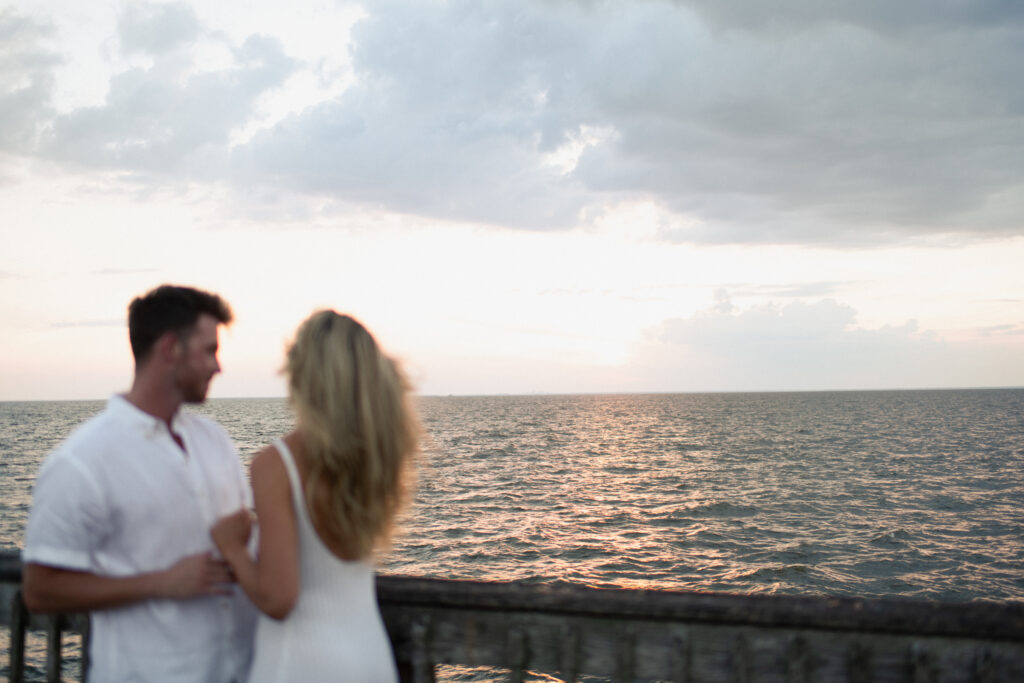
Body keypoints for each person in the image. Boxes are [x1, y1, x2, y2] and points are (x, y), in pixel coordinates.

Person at [22, 285, 256, 682]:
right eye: (209, 350)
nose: (218, 367)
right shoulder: (82, 460)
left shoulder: (214, 441)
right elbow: (40, 591)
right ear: (170, 348)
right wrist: (162, 583)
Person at [211, 310, 419, 683]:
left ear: (302, 374)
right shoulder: (379, 457)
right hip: (371, 656)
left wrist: (234, 550)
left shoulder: (277, 464)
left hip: (302, 664)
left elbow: (279, 599)